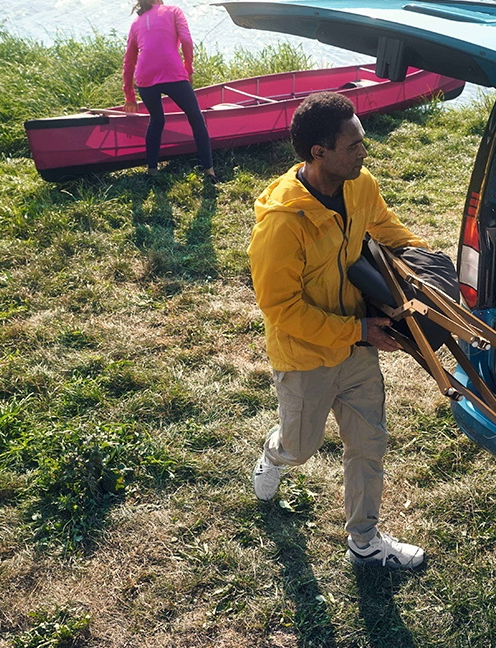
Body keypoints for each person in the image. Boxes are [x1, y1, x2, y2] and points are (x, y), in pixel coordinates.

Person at [247, 92, 428, 569]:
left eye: (362, 142)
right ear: (318, 153)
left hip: (357, 346)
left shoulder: (359, 184)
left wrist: (427, 267)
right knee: (301, 447)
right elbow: (281, 309)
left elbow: (386, 228)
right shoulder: (282, 226)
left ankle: (364, 541)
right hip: (305, 357)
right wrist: (359, 330)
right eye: (353, 146)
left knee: (368, 444)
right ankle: (275, 454)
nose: (363, 152)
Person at [122, 0, 217, 181]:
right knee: (196, 118)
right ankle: (209, 171)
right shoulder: (174, 11)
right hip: (173, 72)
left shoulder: (136, 22)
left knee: (156, 120)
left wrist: (129, 96)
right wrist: (188, 69)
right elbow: (187, 40)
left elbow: (129, 61)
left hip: (145, 77)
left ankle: (152, 171)